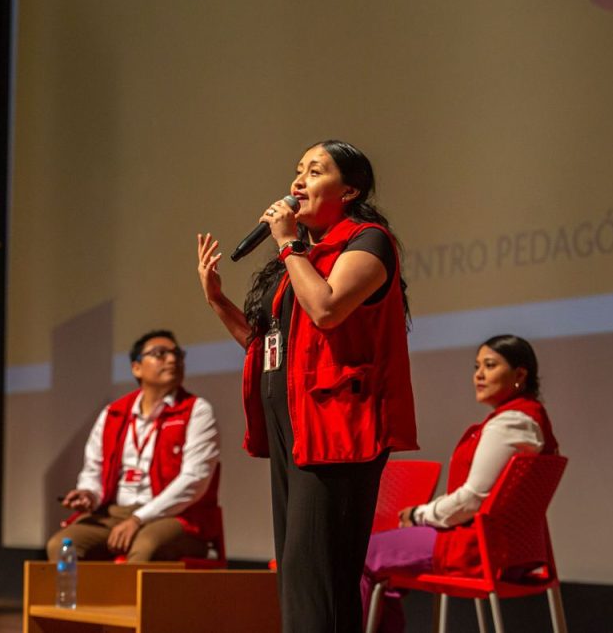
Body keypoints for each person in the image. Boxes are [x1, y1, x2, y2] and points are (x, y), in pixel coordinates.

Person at [197, 140, 418, 633]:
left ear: (350, 190)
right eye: (298, 170)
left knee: (319, 573)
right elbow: (265, 346)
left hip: (336, 426)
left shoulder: (368, 241)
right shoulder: (303, 256)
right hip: (291, 425)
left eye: (315, 171)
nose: (298, 181)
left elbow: (327, 309)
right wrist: (217, 301)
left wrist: (287, 243)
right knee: (297, 571)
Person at [360, 335, 559, 633]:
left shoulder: (511, 424)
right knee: (382, 564)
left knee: (362, 554)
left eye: (490, 365)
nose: (479, 375)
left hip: (474, 549)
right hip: (505, 551)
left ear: (520, 374)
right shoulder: (530, 419)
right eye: (477, 366)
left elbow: (471, 499)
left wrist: (419, 514)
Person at [45, 330, 222, 562]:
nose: (172, 359)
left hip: (175, 515)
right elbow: (93, 470)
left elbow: (194, 479)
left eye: (177, 354)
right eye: (160, 354)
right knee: (61, 546)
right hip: (115, 512)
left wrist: (138, 519)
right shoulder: (114, 413)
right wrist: (89, 494)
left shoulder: (197, 411)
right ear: (136, 368)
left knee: (145, 547)